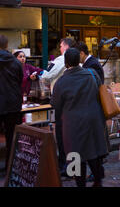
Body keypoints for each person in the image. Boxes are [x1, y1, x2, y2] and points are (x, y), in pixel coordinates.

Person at [50, 48, 108, 187]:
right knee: (93, 150)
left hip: (73, 123)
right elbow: (99, 89)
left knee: (74, 154)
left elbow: (55, 104)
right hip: (94, 119)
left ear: (66, 63)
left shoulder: (62, 82)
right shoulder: (92, 74)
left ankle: (79, 183)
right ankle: (98, 180)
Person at [40, 37, 74, 173]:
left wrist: (43, 77)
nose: (60, 48)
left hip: (63, 103)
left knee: (62, 135)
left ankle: (65, 166)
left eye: (60, 46)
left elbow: (46, 76)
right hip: (76, 104)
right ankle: (75, 171)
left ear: (65, 47)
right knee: (73, 137)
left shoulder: (60, 60)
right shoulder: (82, 68)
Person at [0, 35, 23, 172]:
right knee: (11, 137)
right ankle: (10, 166)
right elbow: (20, 80)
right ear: (7, 45)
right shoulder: (16, 62)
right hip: (13, 104)